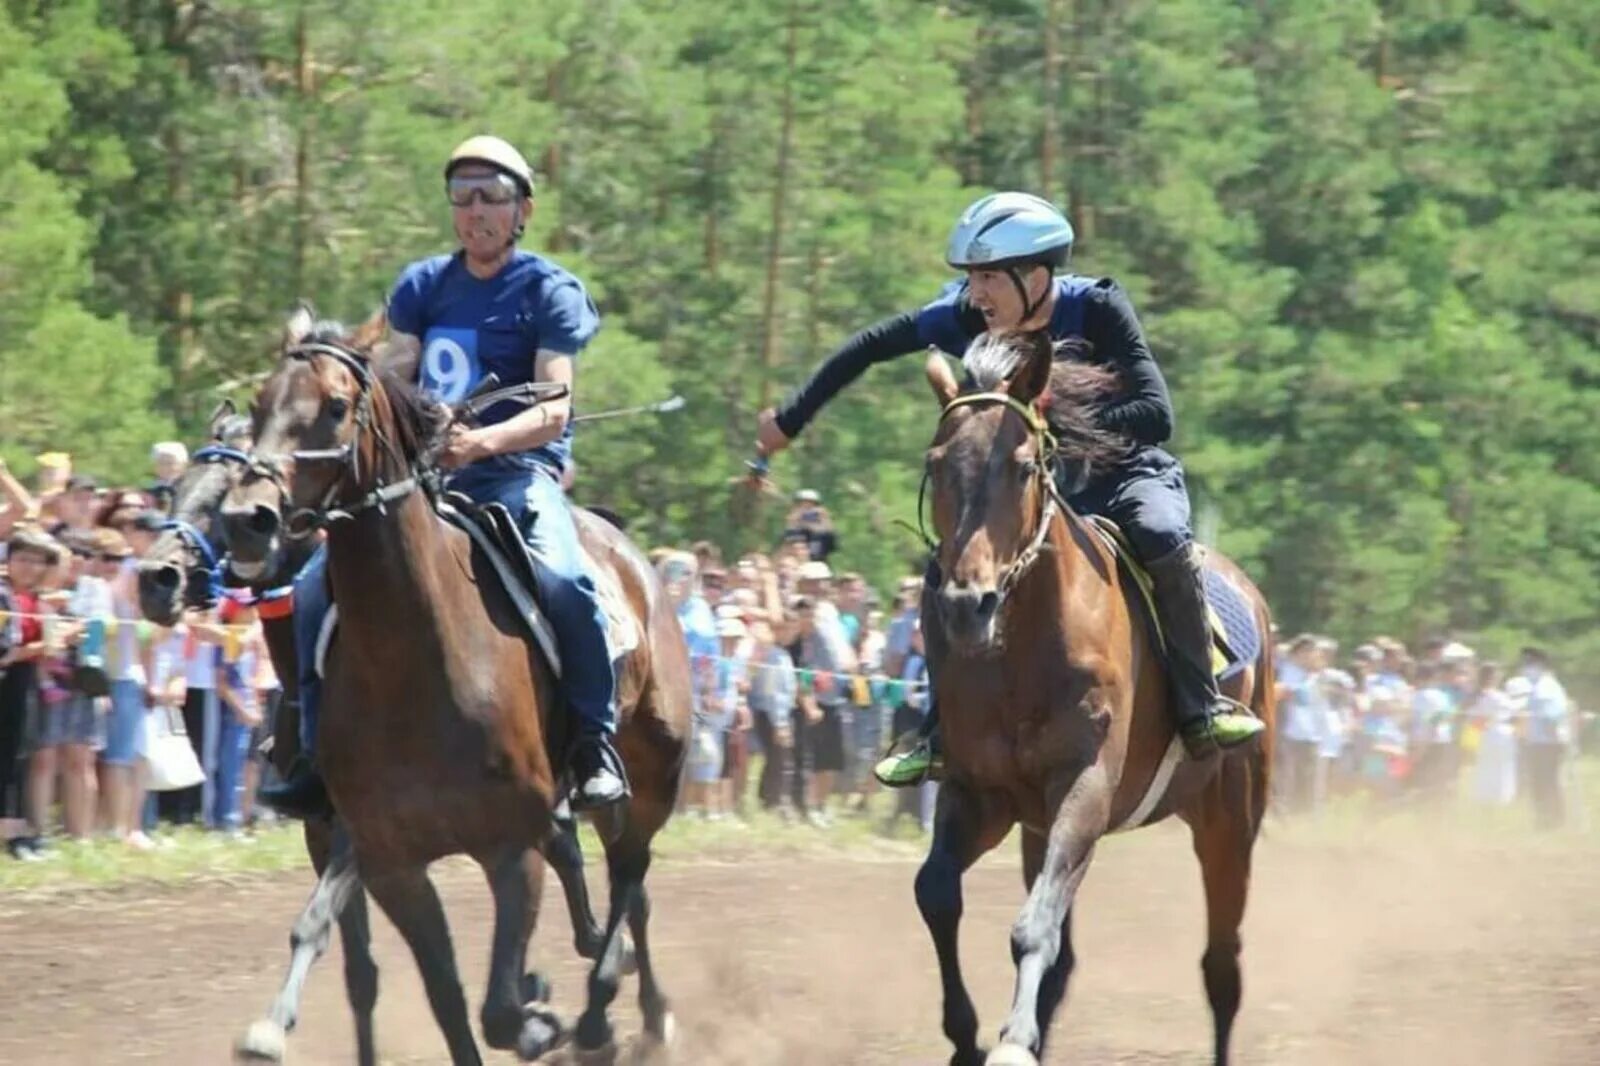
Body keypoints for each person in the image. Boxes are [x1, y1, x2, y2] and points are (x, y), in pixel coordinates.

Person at [754, 192, 1263, 787]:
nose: (977, 295)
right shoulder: (966, 317)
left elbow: (1157, 414)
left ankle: (1201, 707)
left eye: (989, 277)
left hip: (1125, 474)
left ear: (1036, 276)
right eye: (972, 279)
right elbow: (870, 347)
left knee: (1160, 533)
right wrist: (789, 422)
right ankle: (939, 732)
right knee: (947, 565)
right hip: (1033, 490)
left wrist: (1054, 424)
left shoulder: (1099, 306)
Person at [262, 134, 626, 816]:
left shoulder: (549, 290)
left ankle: (594, 744)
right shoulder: (423, 285)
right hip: (427, 482)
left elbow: (553, 409)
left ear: (524, 211)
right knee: (313, 589)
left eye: (493, 196)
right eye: (463, 196)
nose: (476, 210)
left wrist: (479, 442)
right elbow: (399, 374)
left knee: (567, 580)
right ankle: (315, 754)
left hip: (517, 476)